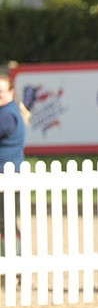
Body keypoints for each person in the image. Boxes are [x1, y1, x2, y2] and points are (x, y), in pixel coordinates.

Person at [0, 72, 29, 256]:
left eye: (1, 91)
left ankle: (13, 259)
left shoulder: (7, 115)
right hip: (6, 175)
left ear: (11, 92)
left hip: (7, 176)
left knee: (5, 220)